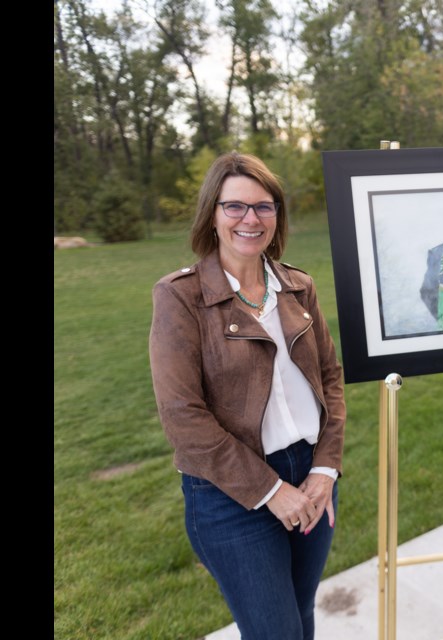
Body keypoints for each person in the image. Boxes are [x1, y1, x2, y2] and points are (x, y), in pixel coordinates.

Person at [148, 152, 346, 640]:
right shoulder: (181, 297)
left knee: (300, 616)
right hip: (231, 493)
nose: (250, 219)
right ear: (212, 215)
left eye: (264, 206)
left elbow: (331, 380)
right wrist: (271, 490)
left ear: (277, 216)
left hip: (311, 477)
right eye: (234, 206)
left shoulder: (298, 287)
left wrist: (324, 470)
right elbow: (182, 417)